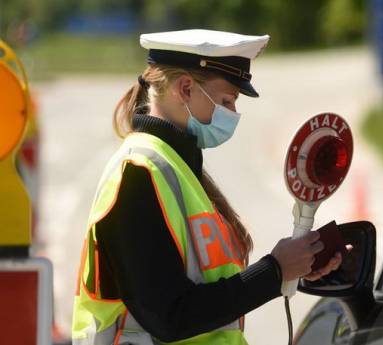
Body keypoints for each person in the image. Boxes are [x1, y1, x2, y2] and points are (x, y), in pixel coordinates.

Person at [72, 29, 343, 345]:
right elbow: (169, 315)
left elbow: (211, 292)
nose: (233, 113)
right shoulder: (139, 173)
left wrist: (292, 266)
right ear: (186, 88)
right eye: (227, 100)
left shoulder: (177, 168)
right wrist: (274, 272)